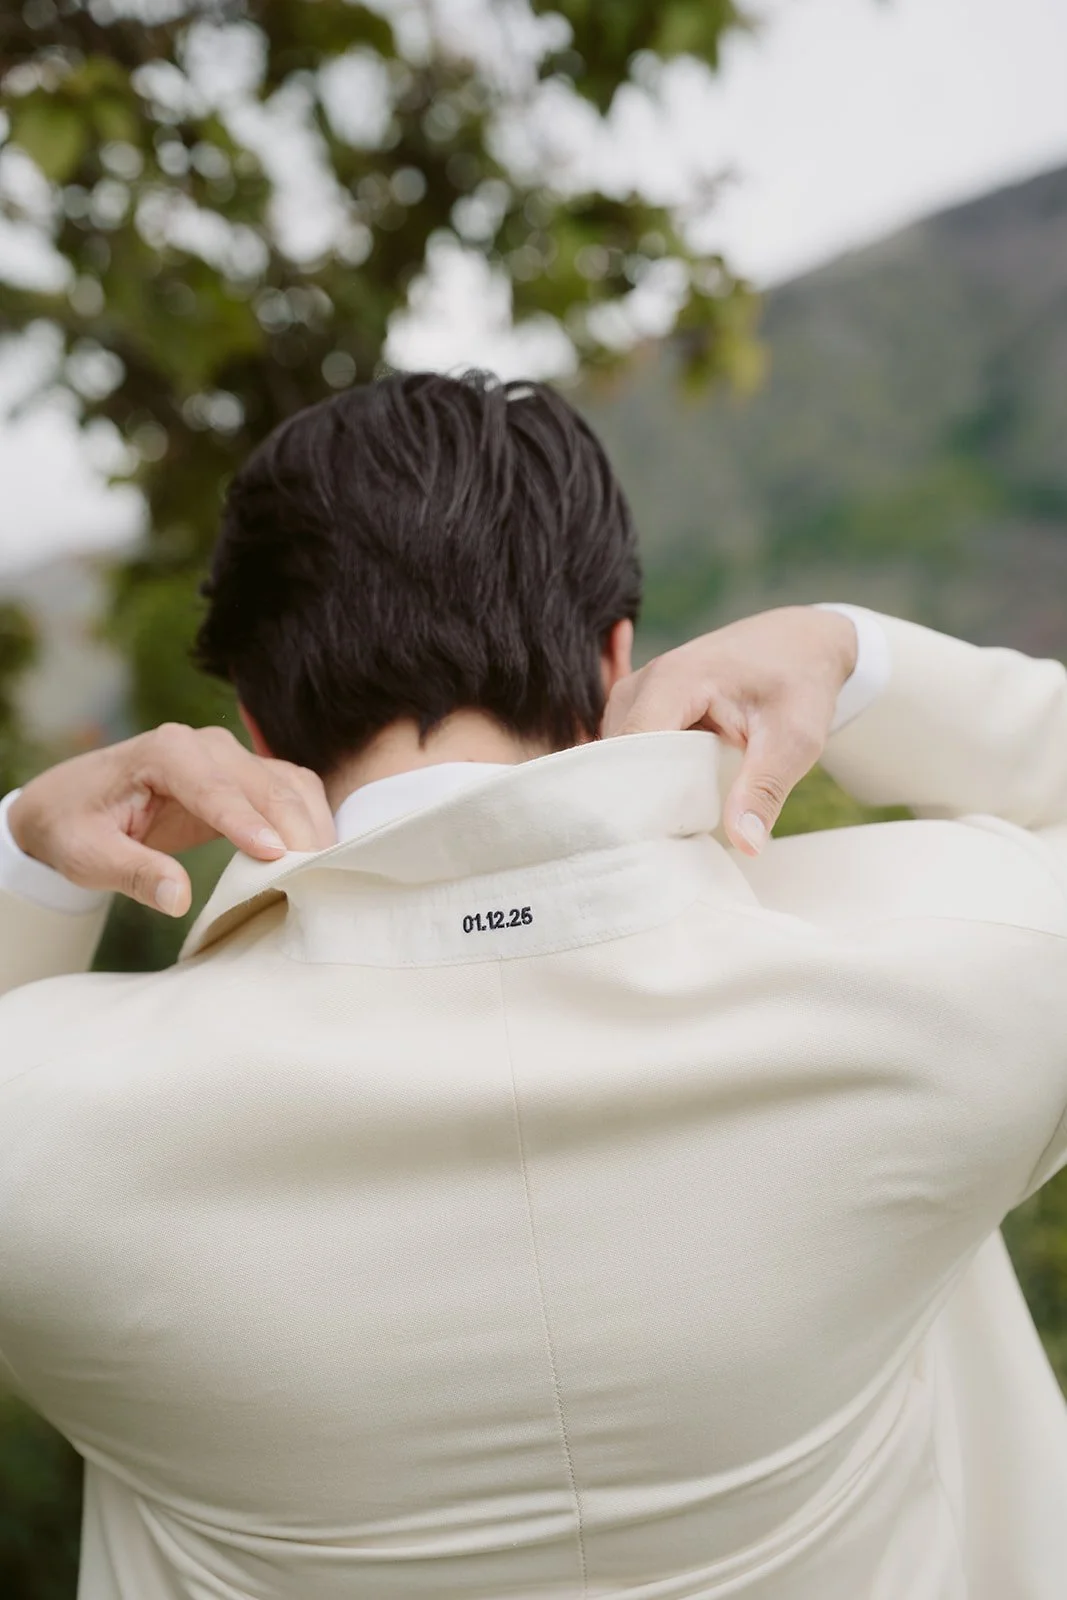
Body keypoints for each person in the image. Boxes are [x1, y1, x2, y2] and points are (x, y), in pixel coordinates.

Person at [1, 370, 1065, 1600]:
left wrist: (33, 853)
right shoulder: (954, 957)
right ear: (617, 654)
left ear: (251, 724)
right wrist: (856, 655)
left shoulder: (52, 1125)